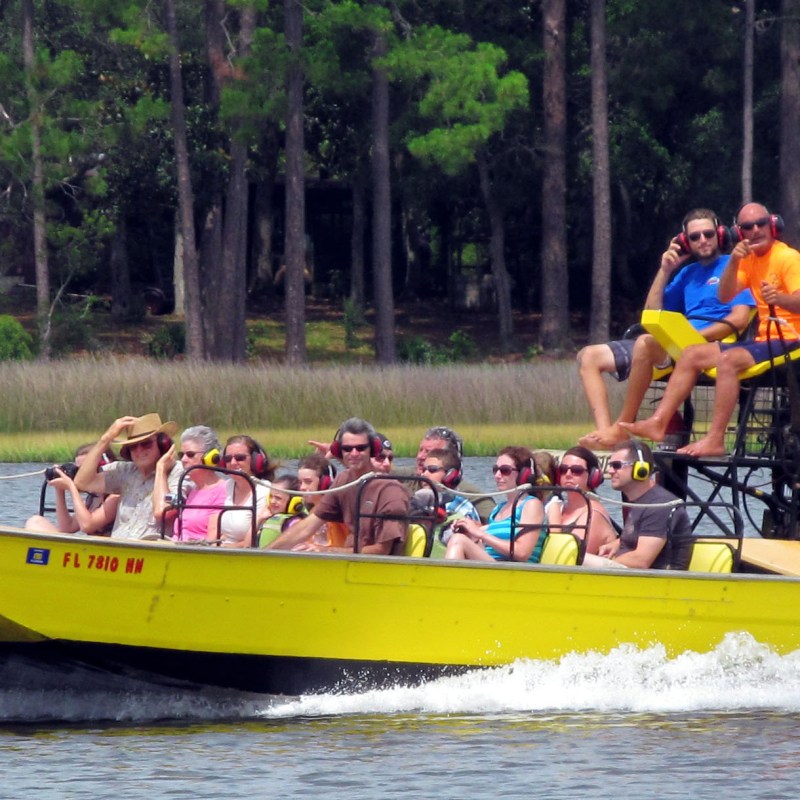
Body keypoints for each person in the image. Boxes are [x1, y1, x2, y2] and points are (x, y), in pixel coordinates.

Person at [622, 203, 800, 456]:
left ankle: (715, 439)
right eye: (748, 227)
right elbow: (725, 294)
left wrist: (779, 299)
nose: (756, 230)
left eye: (761, 224)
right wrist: (735, 260)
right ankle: (659, 423)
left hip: (791, 336)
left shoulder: (787, 257)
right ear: (739, 234)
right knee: (692, 353)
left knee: (728, 360)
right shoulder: (747, 260)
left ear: (773, 225)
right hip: (765, 339)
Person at [578, 208, 755, 450]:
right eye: (694, 237)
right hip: (672, 342)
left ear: (720, 234)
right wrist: (665, 269)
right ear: (685, 242)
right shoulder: (687, 273)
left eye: (708, 234)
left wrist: (695, 336)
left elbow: (739, 319)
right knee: (588, 356)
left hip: (705, 345)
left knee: (644, 343)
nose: (702, 240)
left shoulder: (735, 265)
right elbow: (651, 313)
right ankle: (604, 431)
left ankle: (621, 427)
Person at [269, 417, 409, 555]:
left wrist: (327, 551)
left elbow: (382, 551)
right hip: (345, 563)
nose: (354, 453)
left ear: (373, 449)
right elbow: (307, 526)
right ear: (338, 451)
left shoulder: (391, 491)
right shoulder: (343, 481)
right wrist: (265, 554)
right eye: (347, 449)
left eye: (360, 448)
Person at [583, 440, 692, 569]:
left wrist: (607, 561)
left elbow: (641, 560)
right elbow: (643, 534)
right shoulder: (642, 502)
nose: (610, 471)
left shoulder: (658, 505)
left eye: (617, 465)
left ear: (640, 469)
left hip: (656, 584)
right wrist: (617, 544)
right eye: (611, 465)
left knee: (578, 559)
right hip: (633, 579)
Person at [74, 413, 181, 540]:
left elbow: (163, 511)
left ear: (163, 444)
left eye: (146, 444)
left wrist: (161, 469)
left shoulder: (178, 471)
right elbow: (82, 482)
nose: (139, 450)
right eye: (133, 446)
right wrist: (106, 438)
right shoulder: (124, 470)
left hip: (151, 552)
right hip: (119, 550)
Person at [445, 446, 546, 563]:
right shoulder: (498, 509)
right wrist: (468, 531)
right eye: (495, 469)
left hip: (516, 572)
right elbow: (487, 546)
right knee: (459, 538)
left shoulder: (532, 505)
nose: (497, 475)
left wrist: (480, 534)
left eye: (505, 470)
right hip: (496, 568)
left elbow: (521, 553)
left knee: (459, 541)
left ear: (524, 474)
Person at [25, 443, 119, 535]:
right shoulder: (94, 497)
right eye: (77, 470)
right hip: (88, 548)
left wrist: (71, 487)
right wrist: (59, 490)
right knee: (35, 521)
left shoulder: (115, 497)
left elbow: (87, 526)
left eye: (84, 469)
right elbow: (67, 527)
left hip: (103, 549)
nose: (80, 475)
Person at [156, 425, 227, 544]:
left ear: (210, 458)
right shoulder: (193, 490)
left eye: (190, 454)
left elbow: (212, 541)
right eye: (181, 455)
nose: (183, 460)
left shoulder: (222, 491)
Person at [207, 435, 275, 547]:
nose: (233, 463)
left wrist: (226, 547)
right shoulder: (228, 486)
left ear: (255, 460)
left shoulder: (265, 490)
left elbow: (259, 538)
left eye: (240, 458)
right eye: (228, 459)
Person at [548, 446, 616, 555]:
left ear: (592, 476)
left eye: (576, 471)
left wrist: (554, 523)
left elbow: (570, 555)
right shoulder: (559, 508)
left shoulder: (593, 513)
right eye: (563, 470)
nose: (568, 475)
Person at [414, 447, 481, 543]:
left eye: (432, 469)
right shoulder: (416, 502)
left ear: (450, 475)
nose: (424, 474)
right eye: (424, 469)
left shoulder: (462, 508)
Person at [296, 452, 346, 546]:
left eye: (308, 482)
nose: (302, 487)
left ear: (324, 483)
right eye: (300, 482)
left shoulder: (338, 513)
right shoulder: (311, 511)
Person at [257, 474, 305, 547]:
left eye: (278, 498)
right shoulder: (268, 517)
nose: (272, 501)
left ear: (294, 501)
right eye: (271, 496)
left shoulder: (294, 523)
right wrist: (259, 518)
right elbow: (247, 546)